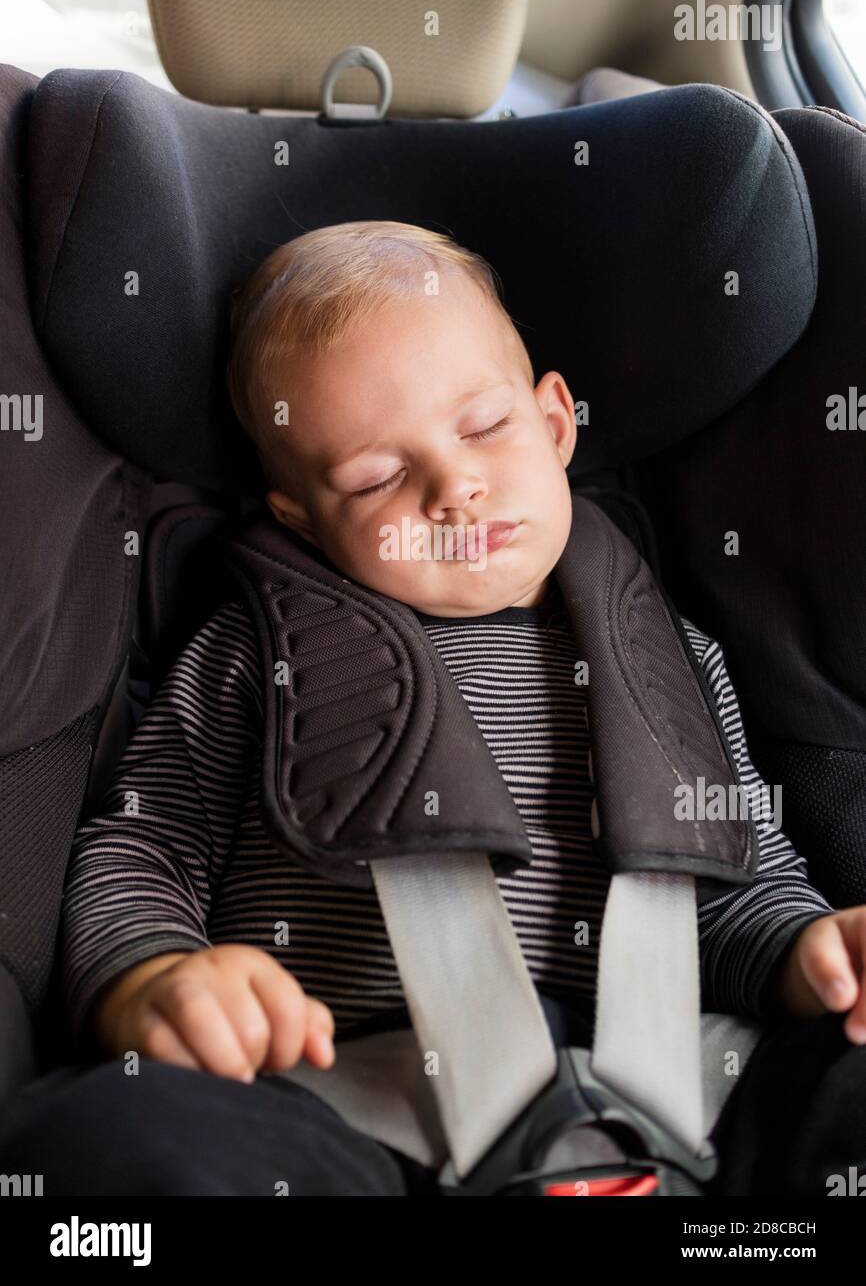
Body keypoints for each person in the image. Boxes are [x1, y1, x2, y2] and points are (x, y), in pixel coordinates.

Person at [2, 221, 865, 1197]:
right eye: (375, 476)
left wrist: (811, 951)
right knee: (106, 1140)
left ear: (551, 423)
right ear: (299, 514)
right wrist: (151, 976)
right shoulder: (255, 651)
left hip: (681, 1094)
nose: (453, 487)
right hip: (345, 1102)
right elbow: (142, 843)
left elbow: (734, 877)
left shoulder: (669, 653)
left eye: (484, 426)